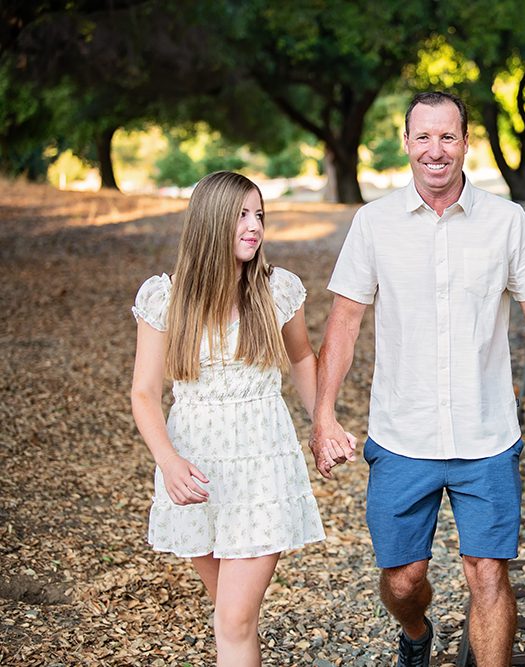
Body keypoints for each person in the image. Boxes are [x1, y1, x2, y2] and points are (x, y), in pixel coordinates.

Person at [309, 91, 525, 667]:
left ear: (465, 144)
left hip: (487, 437)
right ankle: (414, 633)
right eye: (424, 137)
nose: (436, 150)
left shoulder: (505, 222)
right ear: (406, 143)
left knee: (487, 573)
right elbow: (345, 319)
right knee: (403, 582)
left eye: (448, 137)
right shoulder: (374, 223)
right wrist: (324, 414)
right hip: (402, 435)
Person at [130, 171, 325, 667]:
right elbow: (145, 393)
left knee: (232, 620)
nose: (254, 225)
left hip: (262, 465)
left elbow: (302, 359)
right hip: (197, 472)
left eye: (259, 214)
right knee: (230, 617)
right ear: (210, 221)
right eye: (241, 214)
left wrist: (323, 421)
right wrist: (169, 462)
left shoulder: (276, 289)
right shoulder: (166, 299)